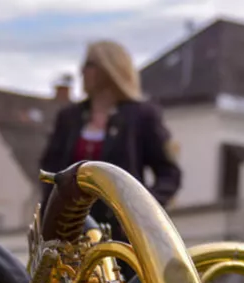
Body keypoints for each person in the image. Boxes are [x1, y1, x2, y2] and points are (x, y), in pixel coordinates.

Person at [38, 40, 182, 245]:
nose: (81, 71)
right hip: (67, 235)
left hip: (121, 238)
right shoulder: (69, 117)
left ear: (109, 68)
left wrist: (141, 212)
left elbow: (170, 175)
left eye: (89, 64)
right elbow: (50, 170)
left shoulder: (141, 116)